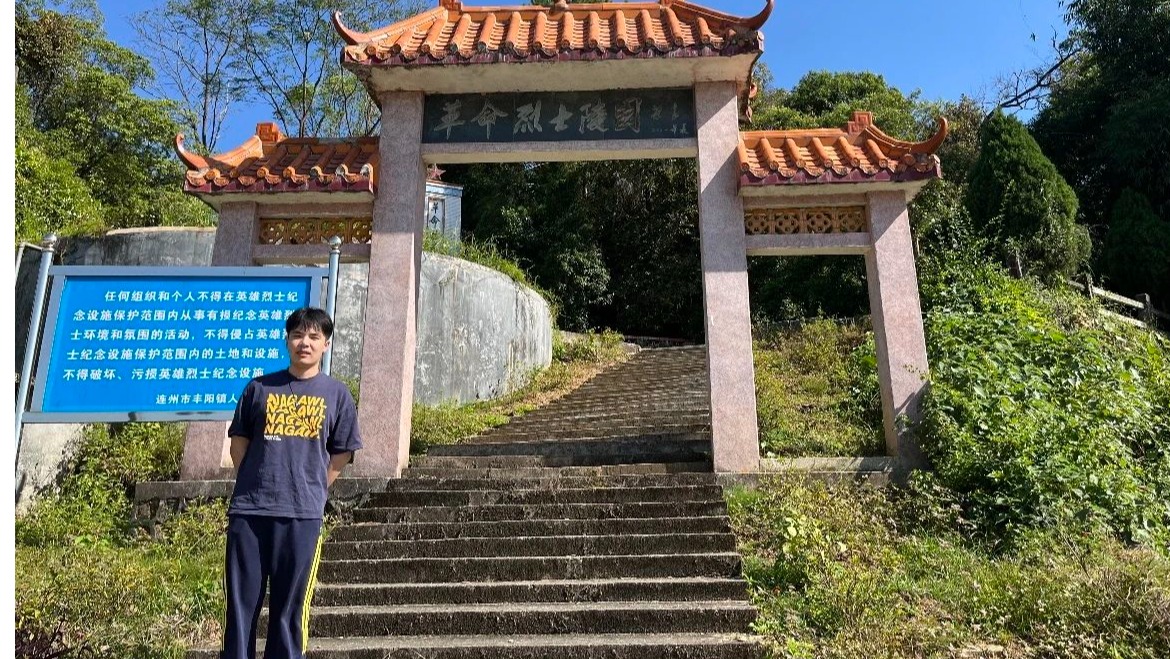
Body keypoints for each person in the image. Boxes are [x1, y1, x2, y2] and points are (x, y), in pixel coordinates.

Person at [221, 307, 361, 659]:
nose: (305, 343)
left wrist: (313, 487)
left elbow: (341, 453)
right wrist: (256, 479)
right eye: (298, 335)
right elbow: (239, 444)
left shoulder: (337, 394)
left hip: (302, 515)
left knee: (289, 610)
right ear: (287, 341)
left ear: (326, 344)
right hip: (250, 512)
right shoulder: (258, 388)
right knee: (240, 608)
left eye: (314, 336)